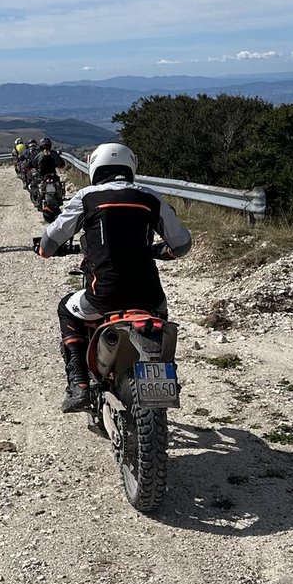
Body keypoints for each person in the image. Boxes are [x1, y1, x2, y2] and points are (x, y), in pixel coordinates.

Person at [36, 141, 191, 412]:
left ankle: (79, 384)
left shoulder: (86, 197)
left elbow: (49, 245)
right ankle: (165, 370)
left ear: (95, 167)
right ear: (130, 167)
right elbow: (182, 245)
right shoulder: (150, 197)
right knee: (160, 319)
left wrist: (43, 249)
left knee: (66, 308)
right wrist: (163, 250)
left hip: (103, 298)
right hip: (149, 297)